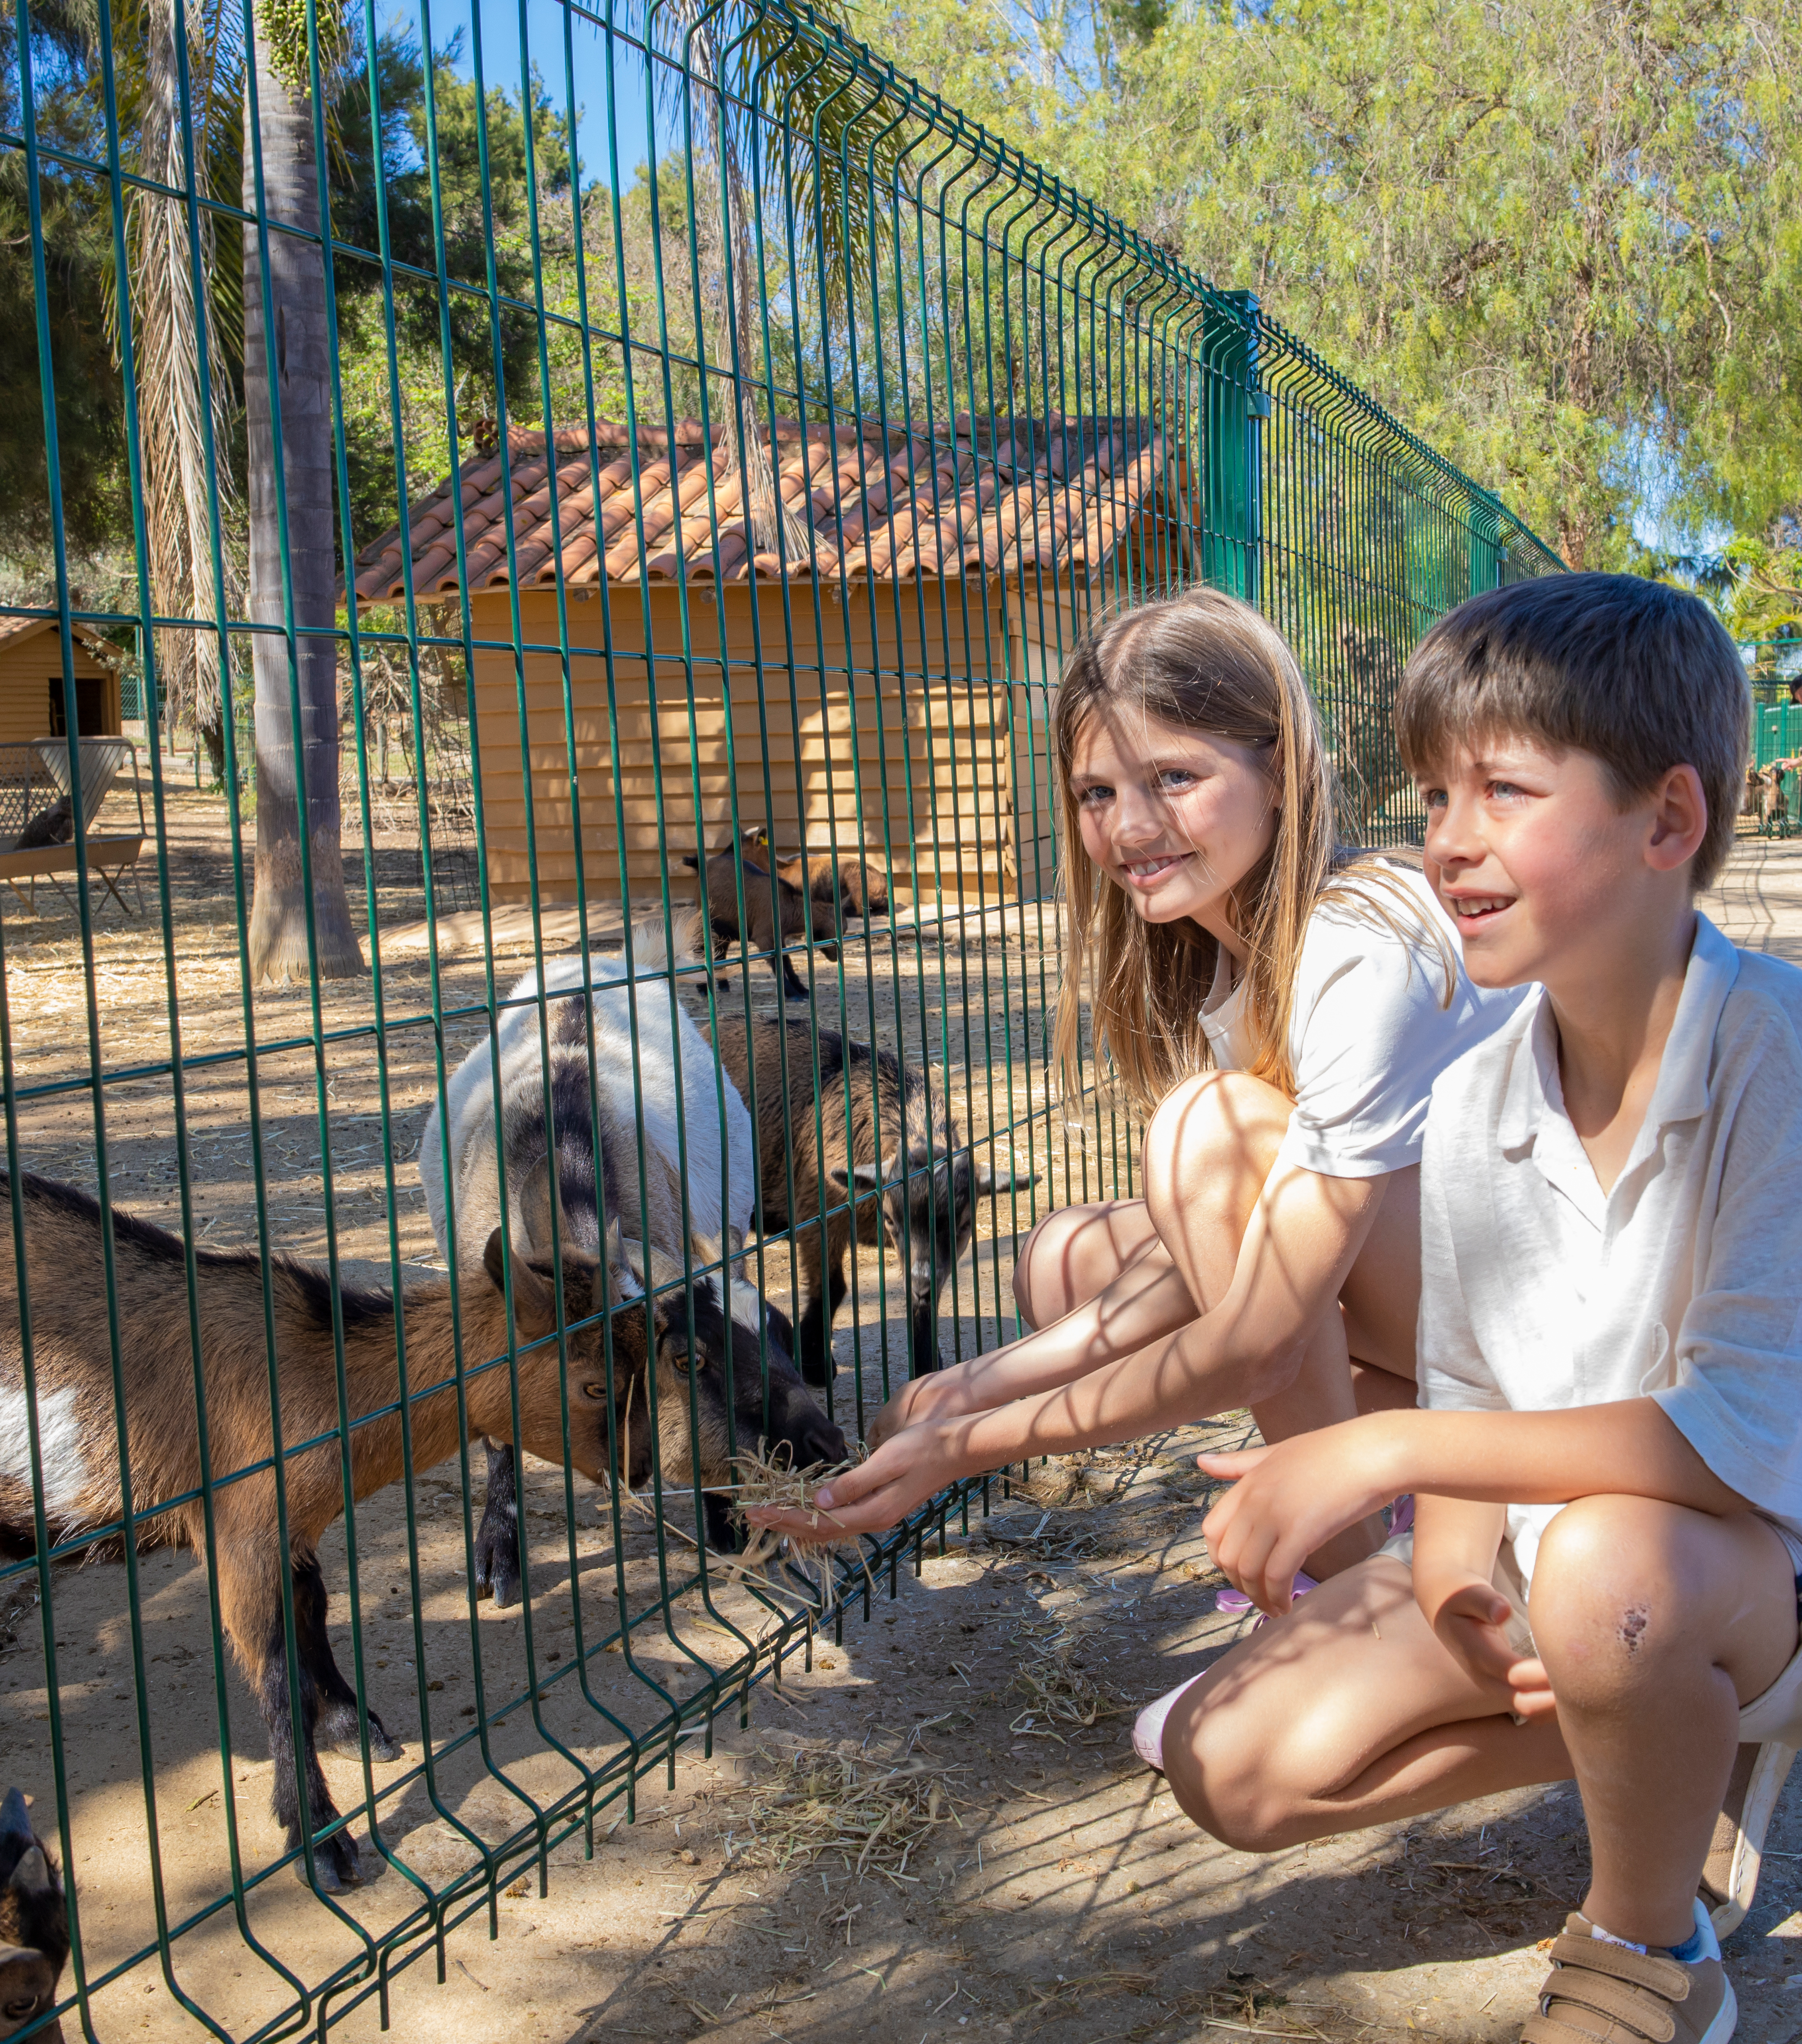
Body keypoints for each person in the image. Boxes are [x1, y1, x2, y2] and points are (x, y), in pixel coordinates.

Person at [1159, 573, 1802, 2044]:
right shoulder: (1472, 1099)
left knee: (1604, 1572)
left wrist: (1380, 1453)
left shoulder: (1770, 1055)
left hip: (1749, 1567)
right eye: (1433, 795)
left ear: (1667, 819)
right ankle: (1656, 1736)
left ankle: (1647, 1943)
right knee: (1231, 1762)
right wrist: (1453, 1569)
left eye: (1502, 789)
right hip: (1583, 1579)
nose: (1446, 839)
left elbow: (1737, 1437)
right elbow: (1463, 1383)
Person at [748, 586, 1517, 1589]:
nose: (1131, 827)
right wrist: (968, 1386)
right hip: (1430, 1302)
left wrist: (968, 1440)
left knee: (1206, 1134)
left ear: (1280, 767)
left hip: (1523, 1343)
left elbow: (1260, 1337)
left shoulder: (1355, 949)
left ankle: (1356, 1583)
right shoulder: (1240, 949)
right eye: (1097, 793)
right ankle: (1392, 1477)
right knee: (1062, 1260)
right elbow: (1254, 1244)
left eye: (1175, 777)